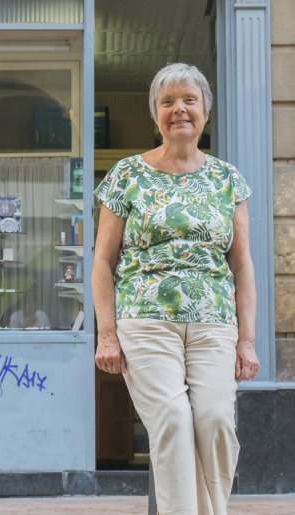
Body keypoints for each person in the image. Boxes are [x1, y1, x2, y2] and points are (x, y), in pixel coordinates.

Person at [92, 62, 258, 515]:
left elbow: (242, 265)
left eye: (189, 100)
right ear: (155, 113)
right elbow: (102, 262)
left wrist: (247, 340)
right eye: (167, 101)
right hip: (146, 321)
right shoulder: (127, 175)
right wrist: (107, 334)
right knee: (171, 422)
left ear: (206, 111)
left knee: (216, 421)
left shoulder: (228, 179)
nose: (178, 109)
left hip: (214, 323)